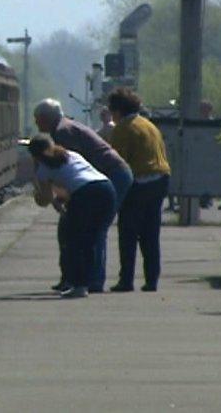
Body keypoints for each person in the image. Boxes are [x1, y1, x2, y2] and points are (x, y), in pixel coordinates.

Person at [34, 99, 133, 293]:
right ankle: (78, 278)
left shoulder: (63, 132)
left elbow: (66, 168)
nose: (36, 123)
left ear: (45, 118)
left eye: (37, 119)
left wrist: (61, 198)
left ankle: (91, 281)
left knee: (93, 229)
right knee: (87, 229)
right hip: (104, 178)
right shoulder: (65, 127)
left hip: (110, 175)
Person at [28, 134, 117, 298]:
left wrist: (38, 187)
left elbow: (45, 199)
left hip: (84, 194)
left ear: (35, 155)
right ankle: (91, 281)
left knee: (74, 242)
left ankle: (79, 285)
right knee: (91, 239)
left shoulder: (43, 168)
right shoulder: (71, 154)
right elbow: (73, 181)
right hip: (106, 189)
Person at [107, 88, 171, 292]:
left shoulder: (123, 128)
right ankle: (152, 280)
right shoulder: (149, 125)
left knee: (128, 232)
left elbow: (118, 163)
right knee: (150, 232)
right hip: (160, 179)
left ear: (117, 111)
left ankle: (126, 280)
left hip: (139, 182)